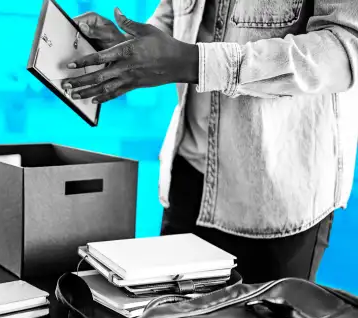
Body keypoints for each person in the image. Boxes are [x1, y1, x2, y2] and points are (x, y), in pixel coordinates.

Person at [63, 2, 358, 283]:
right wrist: (126, 48)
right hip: (187, 177)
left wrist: (195, 63)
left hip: (276, 198)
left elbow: (344, 51)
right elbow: (176, 16)